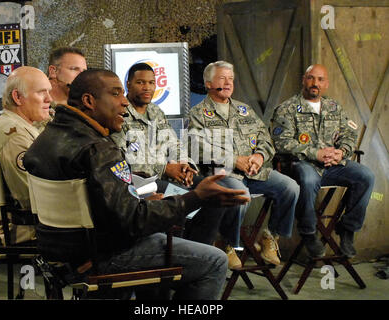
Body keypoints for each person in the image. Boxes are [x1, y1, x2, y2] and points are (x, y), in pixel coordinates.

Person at [23, 69, 250, 300]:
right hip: (102, 255)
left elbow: (98, 204)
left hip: (59, 254)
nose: (124, 103)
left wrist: (140, 200)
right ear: (89, 101)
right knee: (214, 260)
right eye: (115, 94)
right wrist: (196, 197)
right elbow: (134, 221)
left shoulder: (45, 138)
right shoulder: (98, 149)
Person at [111, 63, 241, 269]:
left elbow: (174, 144)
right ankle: (179, 261)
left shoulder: (156, 111)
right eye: (140, 82)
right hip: (141, 183)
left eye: (151, 83)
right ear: (128, 84)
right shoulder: (120, 114)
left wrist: (184, 165)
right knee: (182, 200)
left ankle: (198, 257)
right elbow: (127, 160)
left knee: (215, 195)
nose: (147, 87)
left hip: (169, 177)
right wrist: (165, 168)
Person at [187, 61, 299, 266]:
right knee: (241, 194)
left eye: (231, 78)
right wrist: (233, 161)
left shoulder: (244, 110)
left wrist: (260, 157)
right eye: (222, 78)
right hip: (223, 175)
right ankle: (226, 243)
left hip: (255, 172)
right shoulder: (197, 114)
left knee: (290, 187)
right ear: (208, 83)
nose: (228, 82)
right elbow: (197, 148)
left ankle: (271, 237)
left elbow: (265, 137)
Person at [271, 64, 375, 258]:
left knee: (366, 176)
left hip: (332, 166)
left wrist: (341, 152)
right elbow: (281, 142)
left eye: (320, 80)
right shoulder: (287, 109)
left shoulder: (333, 107)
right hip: (301, 165)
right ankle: (309, 232)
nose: (315, 83)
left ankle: (347, 228)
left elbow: (348, 134)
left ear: (326, 84)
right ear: (304, 80)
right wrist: (315, 153)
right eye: (311, 78)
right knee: (308, 179)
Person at [0, 66, 52, 245]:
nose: (49, 99)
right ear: (17, 97)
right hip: (29, 232)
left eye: (49, 92)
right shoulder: (14, 136)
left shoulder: (23, 127)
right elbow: (31, 197)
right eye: (41, 92)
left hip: (37, 225)